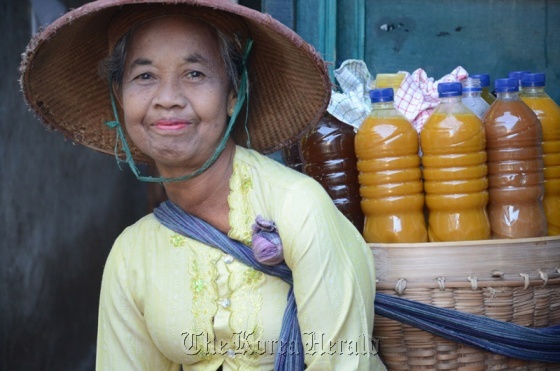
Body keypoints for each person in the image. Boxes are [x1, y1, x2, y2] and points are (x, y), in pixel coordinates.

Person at [20, 0, 386, 369]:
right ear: (120, 96)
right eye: (145, 76)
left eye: (194, 73)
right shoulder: (132, 255)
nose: (168, 99)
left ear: (232, 93)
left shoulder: (297, 207)